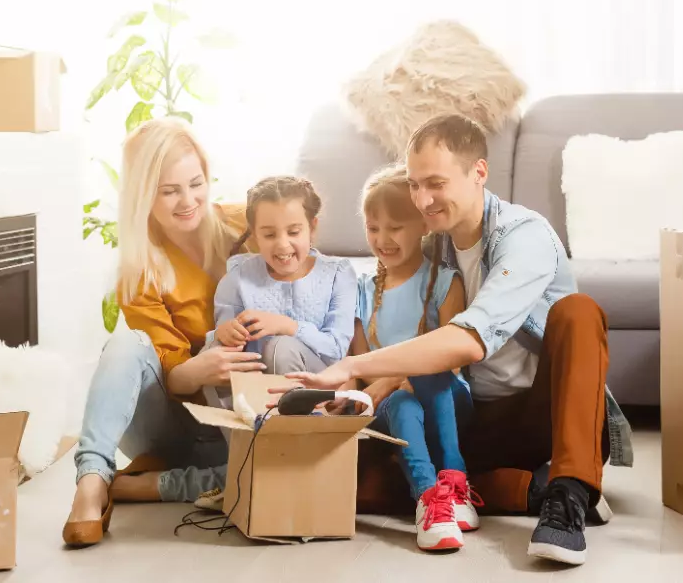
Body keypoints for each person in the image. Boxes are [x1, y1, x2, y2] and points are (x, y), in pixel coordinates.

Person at [271, 115, 633, 566]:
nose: (422, 200)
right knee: (360, 487)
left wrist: (353, 367)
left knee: (578, 312)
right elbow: (420, 346)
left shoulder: (525, 236)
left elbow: (468, 340)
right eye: (415, 184)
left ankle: (570, 490)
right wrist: (357, 397)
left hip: (546, 416)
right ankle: (529, 489)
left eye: (435, 183)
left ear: (478, 172)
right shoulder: (431, 248)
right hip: (471, 418)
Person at [63, 118, 265, 548]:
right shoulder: (141, 270)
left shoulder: (248, 228)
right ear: (143, 195)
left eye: (195, 183)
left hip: (241, 417)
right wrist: (200, 368)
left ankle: (152, 485)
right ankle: (93, 480)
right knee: (124, 343)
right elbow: (171, 377)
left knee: (267, 471)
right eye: (169, 191)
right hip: (174, 421)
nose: (188, 201)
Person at [348, 164, 476, 552]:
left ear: (423, 225)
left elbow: (451, 360)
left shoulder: (445, 281)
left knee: (432, 372)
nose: (383, 239)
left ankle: (456, 483)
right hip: (392, 406)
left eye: (395, 227)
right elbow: (363, 369)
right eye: (373, 228)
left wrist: (401, 375)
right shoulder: (360, 290)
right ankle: (429, 500)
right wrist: (392, 384)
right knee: (403, 400)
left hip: (447, 401)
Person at [207, 175, 356, 377]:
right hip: (255, 385)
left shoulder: (338, 274)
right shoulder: (237, 278)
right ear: (255, 234)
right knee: (211, 353)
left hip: (317, 384)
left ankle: (291, 408)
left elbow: (337, 349)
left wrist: (288, 326)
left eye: (293, 232)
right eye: (269, 235)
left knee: (282, 347)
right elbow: (224, 346)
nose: (282, 244)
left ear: (312, 228)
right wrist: (224, 333)